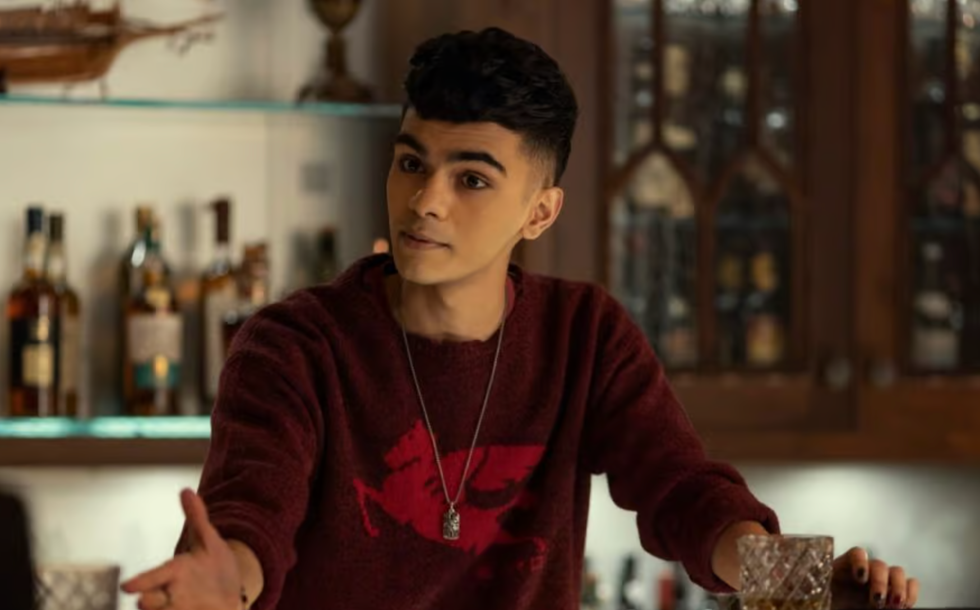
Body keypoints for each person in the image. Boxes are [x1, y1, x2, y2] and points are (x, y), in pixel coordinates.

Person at [122, 27, 920, 610]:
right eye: (411, 163)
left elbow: (682, 492)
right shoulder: (295, 346)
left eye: (471, 179)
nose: (425, 201)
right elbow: (252, 515)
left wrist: (797, 581)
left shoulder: (584, 335)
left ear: (540, 212)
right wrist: (227, 581)